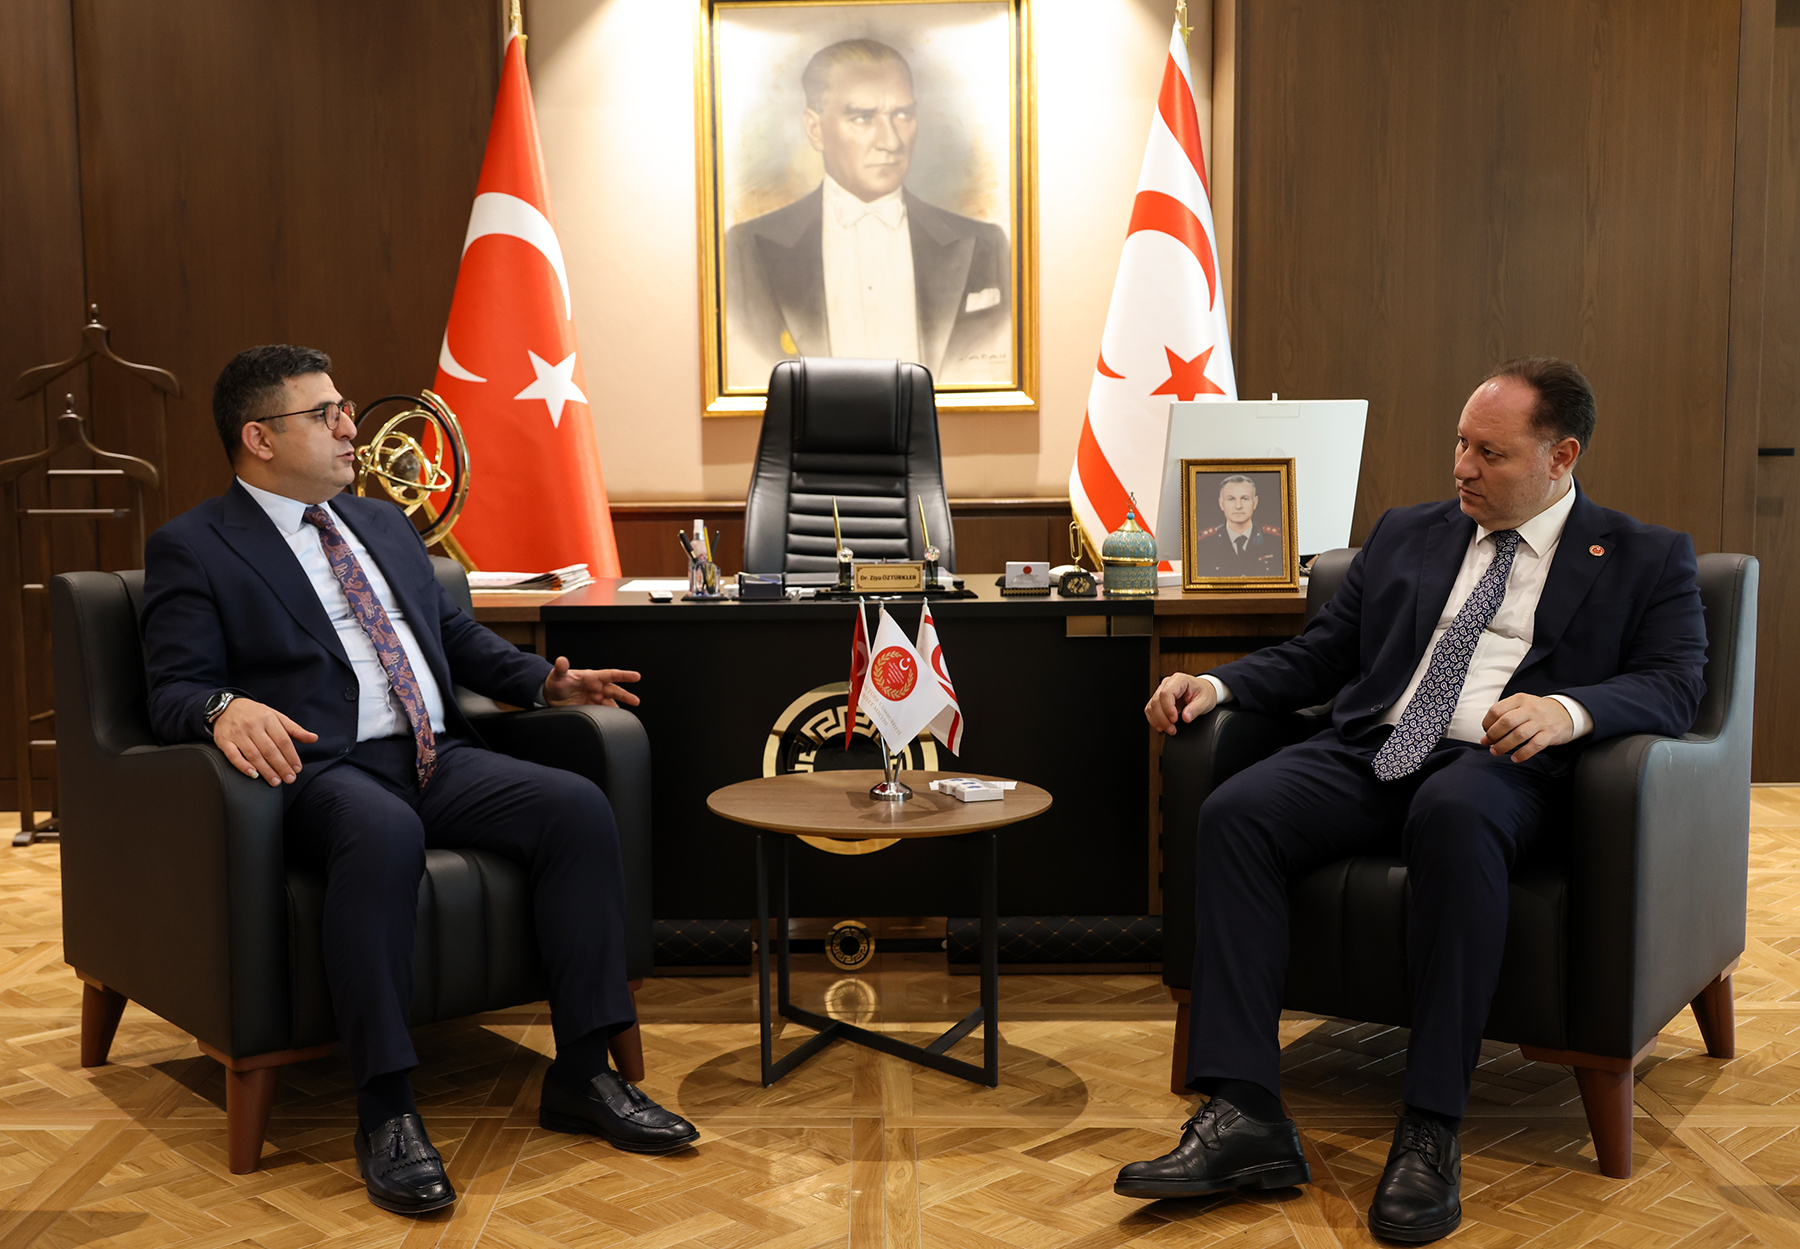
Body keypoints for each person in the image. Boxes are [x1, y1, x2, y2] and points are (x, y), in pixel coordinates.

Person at [1117, 357, 1707, 1243]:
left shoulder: (1645, 556)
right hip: (1373, 748)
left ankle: (1430, 1126)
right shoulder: (1407, 532)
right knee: (1237, 812)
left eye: (1490, 453)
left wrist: (1567, 708)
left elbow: (1675, 684)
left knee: (1455, 814)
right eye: (1460, 444)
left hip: (1500, 767)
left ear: (1561, 456)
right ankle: (1244, 1114)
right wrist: (1217, 683)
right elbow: (1322, 656)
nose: (1462, 467)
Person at [139, 345, 698, 1217]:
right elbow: (173, 686)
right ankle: (387, 1109)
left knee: (574, 807)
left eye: (344, 407)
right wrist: (221, 706)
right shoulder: (195, 547)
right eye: (323, 414)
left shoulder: (381, 522)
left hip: (436, 756)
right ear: (259, 438)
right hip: (321, 769)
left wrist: (542, 682)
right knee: (383, 830)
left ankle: (585, 1073)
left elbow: (452, 637)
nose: (349, 428)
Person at [723, 38, 1011, 388]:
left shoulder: (983, 243)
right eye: (863, 118)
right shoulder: (746, 249)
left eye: (903, 115)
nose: (891, 141)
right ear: (815, 129)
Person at [1191, 475, 1283, 577]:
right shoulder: (1204, 543)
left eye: (1245, 499)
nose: (1238, 506)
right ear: (1221, 504)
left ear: (1255, 502)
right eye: (1231, 499)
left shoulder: (1276, 541)